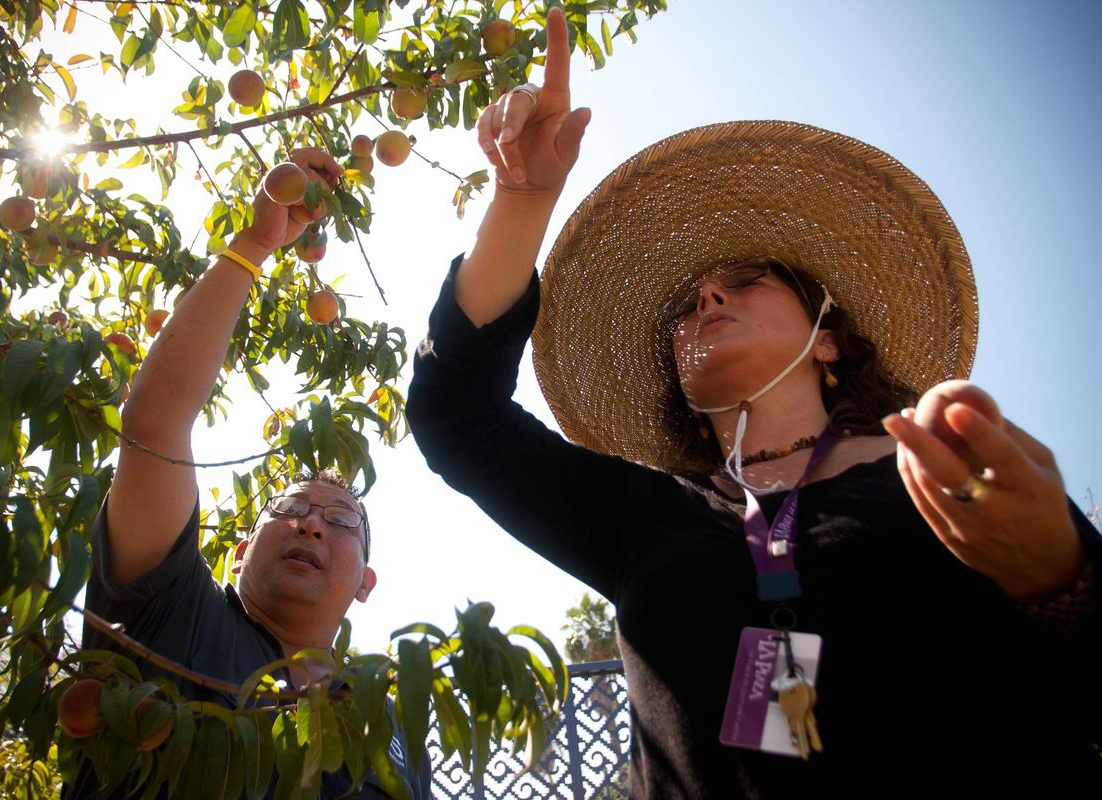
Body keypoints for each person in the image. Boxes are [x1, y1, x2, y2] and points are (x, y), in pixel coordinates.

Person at [407, 8, 1100, 798]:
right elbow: (456, 418)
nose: (705, 297)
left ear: (829, 339)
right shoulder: (641, 513)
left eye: (742, 281)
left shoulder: (951, 470)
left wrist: (1062, 579)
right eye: (686, 306)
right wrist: (522, 200)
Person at [67, 149, 430, 799]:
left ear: (366, 584)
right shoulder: (173, 613)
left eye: (340, 520)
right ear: (238, 553)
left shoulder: (386, 721)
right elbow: (154, 424)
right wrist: (256, 243)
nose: (312, 525)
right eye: (289, 511)